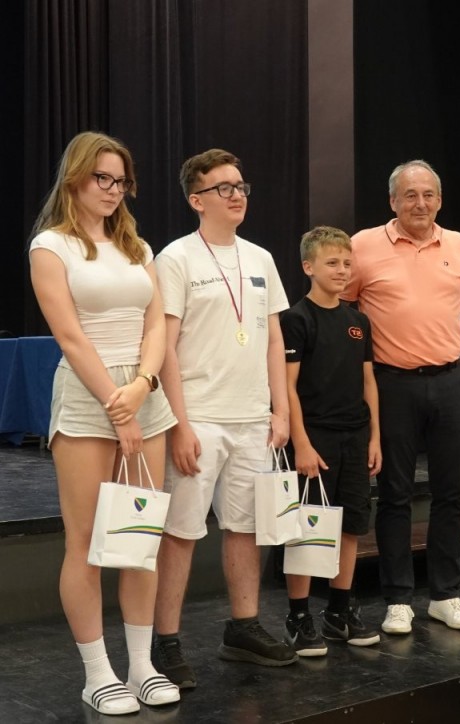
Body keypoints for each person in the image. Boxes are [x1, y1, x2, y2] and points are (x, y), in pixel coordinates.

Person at [29, 131, 180, 715]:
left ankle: (141, 666)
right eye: (103, 178)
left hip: (144, 392)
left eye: (121, 181)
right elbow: (70, 336)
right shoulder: (51, 246)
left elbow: (156, 325)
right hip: (88, 393)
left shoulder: (137, 246)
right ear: (76, 178)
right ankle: (98, 674)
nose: (114, 190)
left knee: (141, 536)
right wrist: (118, 405)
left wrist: (142, 386)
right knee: (88, 541)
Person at [152, 149, 296, 688]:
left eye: (241, 186)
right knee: (181, 532)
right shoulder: (176, 259)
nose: (237, 195)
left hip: (252, 419)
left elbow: (275, 340)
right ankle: (165, 642)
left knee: (246, 527)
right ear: (197, 200)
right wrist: (179, 424)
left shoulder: (260, 258)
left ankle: (243, 628)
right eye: (224, 188)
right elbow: (164, 347)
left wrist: (280, 410)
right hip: (200, 418)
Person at [342, 160, 460, 634]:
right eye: (410, 195)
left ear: (439, 200)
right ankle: (397, 600)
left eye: (428, 194)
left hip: (450, 381)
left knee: (452, 492)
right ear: (392, 201)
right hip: (391, 385)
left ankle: (445, 595)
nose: (420, 203)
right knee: (394, 494)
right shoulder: (363, 246)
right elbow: (341, 315)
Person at [280, 225, 382, 654]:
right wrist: (301, 443)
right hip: (315, 437)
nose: (342, 270)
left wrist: (375, 437)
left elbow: (368, 382)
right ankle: (299, 615)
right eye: (332, 263)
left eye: (346, 263)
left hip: (355, 436)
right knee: (308, 525)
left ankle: (339, 611)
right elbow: (287, 388)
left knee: (352, 524)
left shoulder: (358, 321)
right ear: (308, 267)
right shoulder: (295, 320)